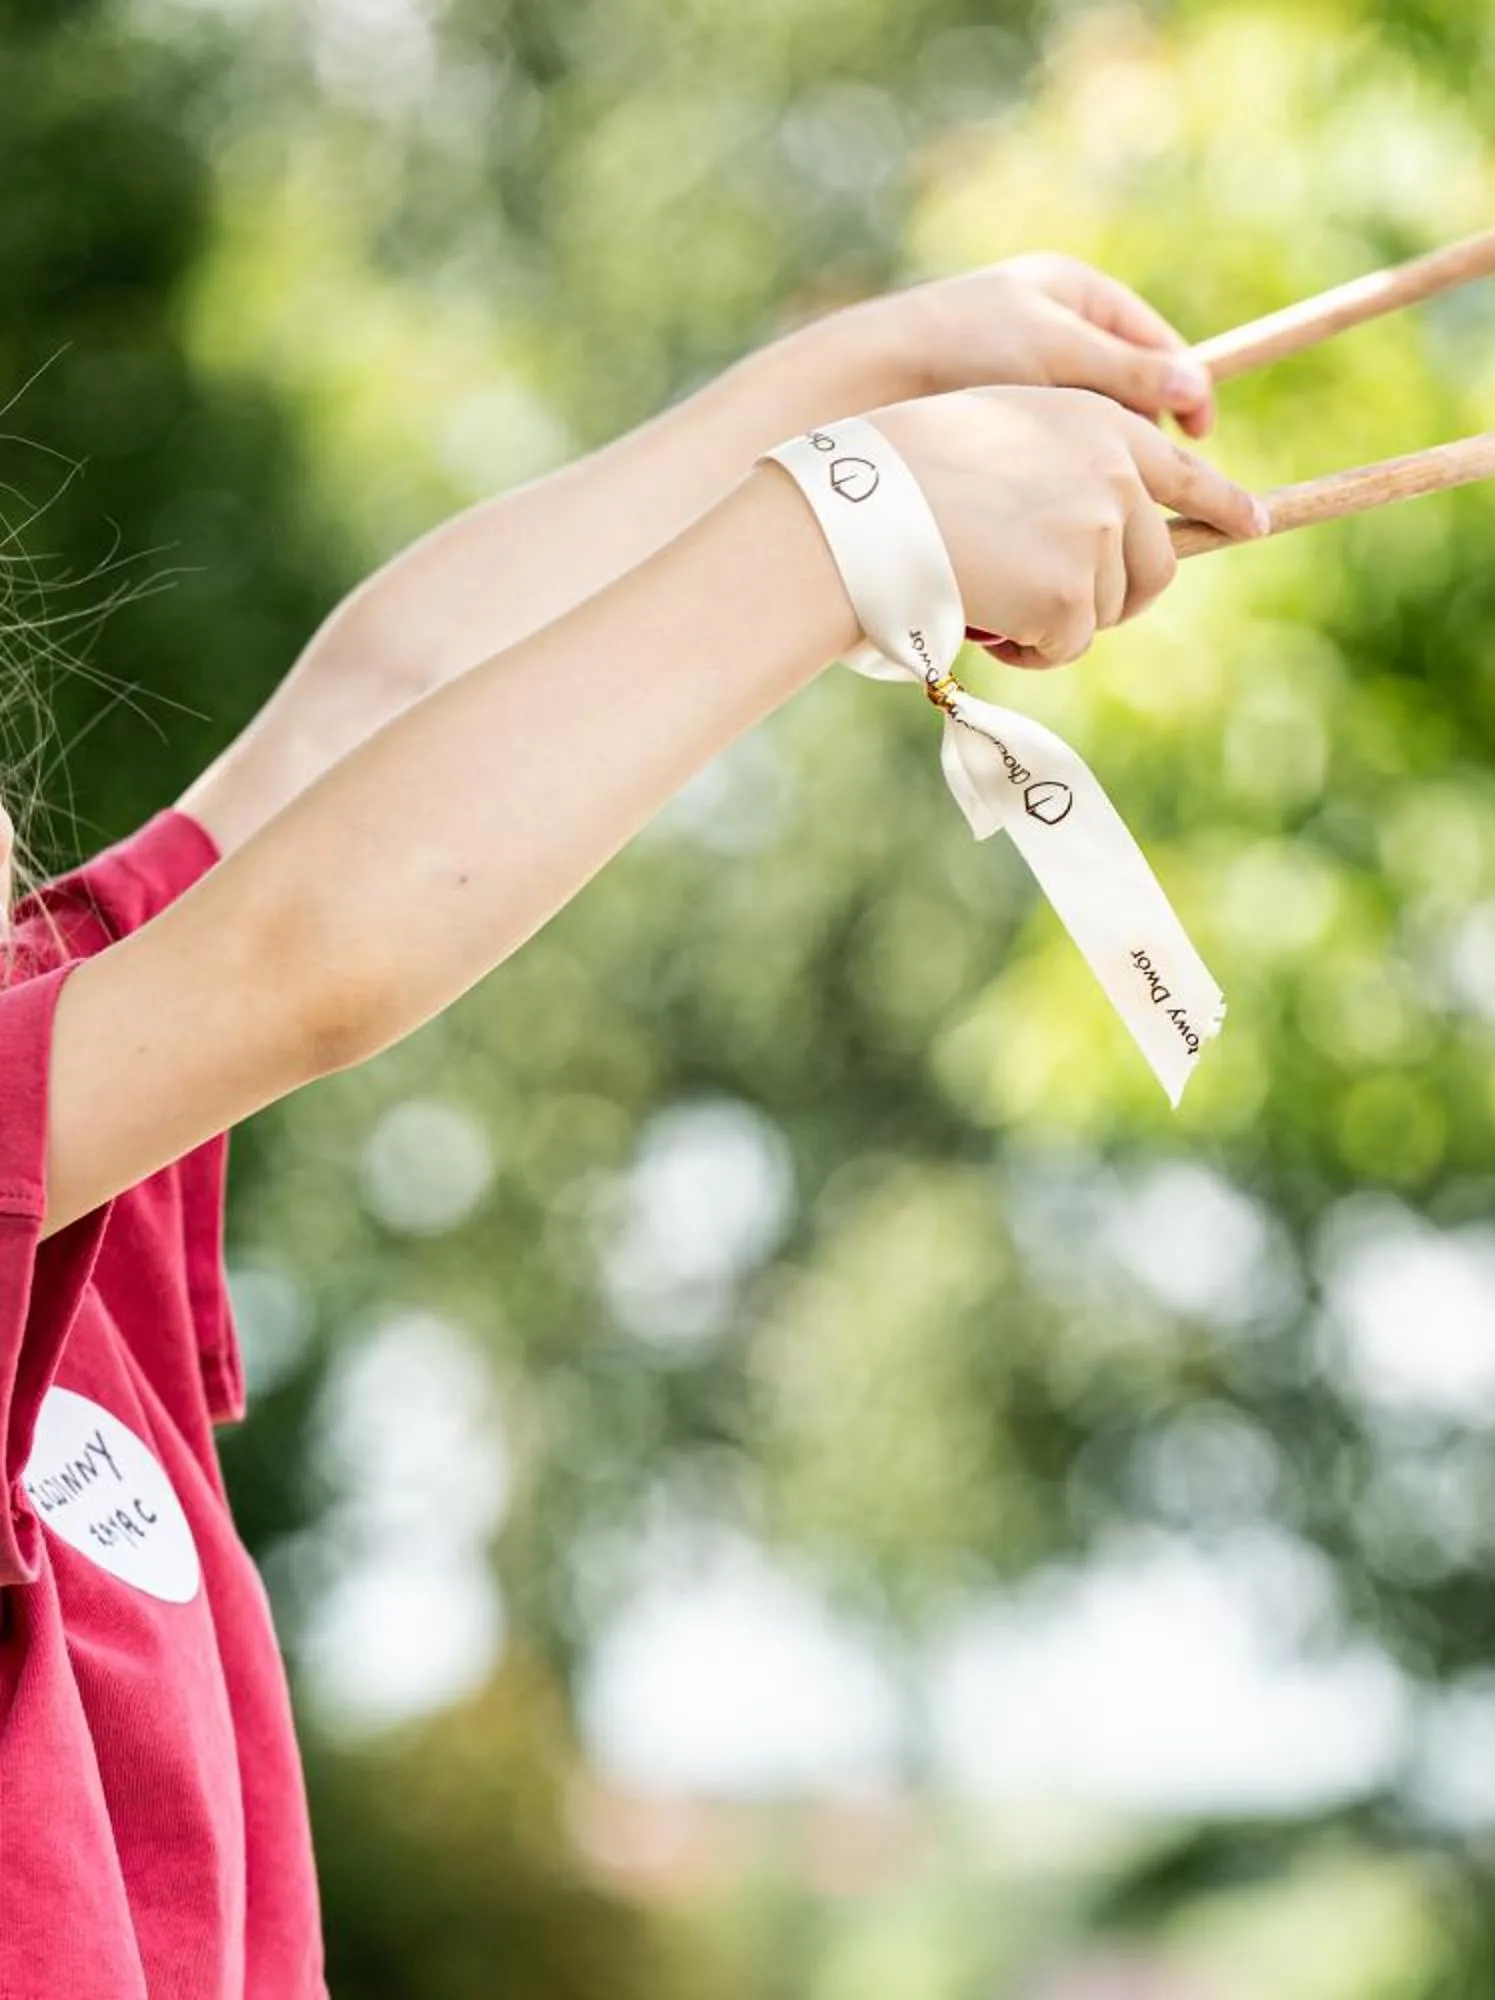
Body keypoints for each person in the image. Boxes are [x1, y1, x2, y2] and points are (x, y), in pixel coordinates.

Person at [0, 252, 1263, 1995]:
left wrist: (862, 378)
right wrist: (851, 534)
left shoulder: (70, 1133)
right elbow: (300, 952)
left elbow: (373, 713)